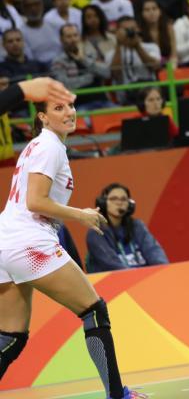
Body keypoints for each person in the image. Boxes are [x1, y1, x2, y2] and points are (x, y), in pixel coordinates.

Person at [0, 99, 145, 399]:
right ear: (43, 117)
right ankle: (118, 395)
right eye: (58, 108)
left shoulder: (35, 146)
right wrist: (81, 214)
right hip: (29, 241)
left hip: (6, 240)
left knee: (11, 335)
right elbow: (36, 202)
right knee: (93, 310)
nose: (68, 112)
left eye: (70, 106)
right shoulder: (49, 146)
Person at [86, 183, 168, 273]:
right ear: (102, 203)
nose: (119, 203)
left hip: (146, 278)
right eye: (113, 199)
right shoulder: (96, 231)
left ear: (130, 205)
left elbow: (154, 251)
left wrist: (163, 271)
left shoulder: (137, 226)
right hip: (118, 279)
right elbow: (111, 264)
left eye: (123, 199)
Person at [50, 24, 111, 109]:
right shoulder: (58, 61)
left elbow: (107, 73)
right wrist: (90, 77)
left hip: (103, 101)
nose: (73, 39)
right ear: (61, 39)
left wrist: (83, 59)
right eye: (68, 37)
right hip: (79, 106)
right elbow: (65, 85)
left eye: (75, 35)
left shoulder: (91, 55)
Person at [109, 16, 161, 95]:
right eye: (126, 29)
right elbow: (115, 74)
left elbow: (154, 67)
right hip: (125, 92)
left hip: (149, 91)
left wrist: (137, 46)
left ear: (138, 29)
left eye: (133, 28)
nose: (130, 32)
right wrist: (119, 44)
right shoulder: (112, 53)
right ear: (117, 32)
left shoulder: (151, 47)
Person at [18, 0, 63, 65]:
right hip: (39, 68)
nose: (33, 8)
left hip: (63, 64)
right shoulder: (20, 33)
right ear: (23, 9)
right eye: (29, 6)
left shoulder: (55, 25)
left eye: (36, 4)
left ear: (42, 6)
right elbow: (29, 59)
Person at [136, 0, 177, 66]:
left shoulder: (169, 28)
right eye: (147, 10)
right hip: (149, 66)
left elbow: (174, 54)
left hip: (168, 66)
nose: (151, 12)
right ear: (142, 14)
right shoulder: (138, 31)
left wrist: (170, 66)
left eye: (154, 8)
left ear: (160, 11)